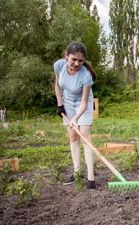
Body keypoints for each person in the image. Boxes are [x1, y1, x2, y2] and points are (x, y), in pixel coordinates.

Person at [54, 42, 97, 189]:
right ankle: (77, 172)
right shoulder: (59, 66)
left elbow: (84, 102)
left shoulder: (86, 75)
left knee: (85, 136)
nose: (77, 63)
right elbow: (57, 85)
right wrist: (60, 105)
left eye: (80, 60)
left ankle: (91, 178)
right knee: (73, 136)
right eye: (74, 59)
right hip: (67, 101)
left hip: (82, 103)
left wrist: (75, 118)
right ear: (66, 56)